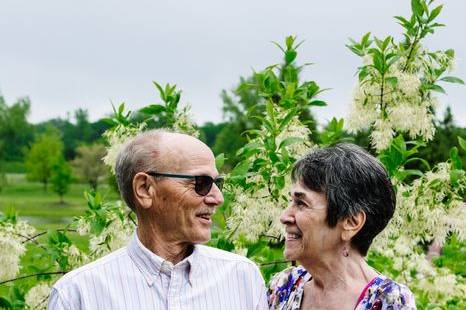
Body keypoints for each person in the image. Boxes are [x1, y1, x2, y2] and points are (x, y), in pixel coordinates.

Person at [48, 129, 268, 310]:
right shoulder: (78, 295)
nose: (218, 198)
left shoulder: (243, 278)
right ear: (145, 189)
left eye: (217, 183)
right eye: (201, 183)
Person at [268, 143, 416, 310]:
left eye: (301, 203)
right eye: (291, 201)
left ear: (351, 222)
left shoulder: (389, 301)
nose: (284, 217)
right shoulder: (284, 287)